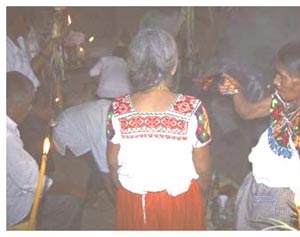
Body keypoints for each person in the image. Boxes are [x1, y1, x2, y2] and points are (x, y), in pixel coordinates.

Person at [217, 39, 300, 230]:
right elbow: (248, 111)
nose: (275, 81)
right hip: (265, 180)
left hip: (285, 200)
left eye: (283, 76)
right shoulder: (290, 97)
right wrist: (237, 90)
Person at [106, 28, 212, 230]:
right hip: (181, 202)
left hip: (133, 202)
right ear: (173, 67)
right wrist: (202, 199)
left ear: (133, 66)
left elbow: (112, 164)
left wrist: (131, 192)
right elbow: (204, 171)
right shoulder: (194, 109)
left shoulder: (117, 109)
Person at [6, 71, 84, 230]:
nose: (29, 110)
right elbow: (35, 183)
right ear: (12, 107)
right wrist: (71, 188)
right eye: (27, 105)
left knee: (58, 176)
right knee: (70, 199)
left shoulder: (9, 126)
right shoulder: (7, 138)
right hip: (14, 208)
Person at [52, 99, 115, 203]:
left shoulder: (114, 110)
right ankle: (91, 197)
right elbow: (105, 169)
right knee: (88, 168)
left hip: (77, 121)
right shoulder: (104, 133)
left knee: (101, 164)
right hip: (66, 131)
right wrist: (114, 198)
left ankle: (96, 190)